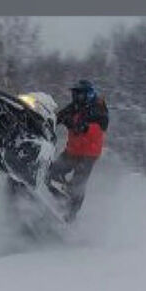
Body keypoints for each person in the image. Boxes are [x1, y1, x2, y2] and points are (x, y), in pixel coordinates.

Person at [49, 80, 109, 215]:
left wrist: (83, 126)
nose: (76, 98)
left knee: (77, 186)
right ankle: (56, 200)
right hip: (72, 152)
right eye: (74, 95)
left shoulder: (98, 107)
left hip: (88, 155)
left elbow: (102, 124)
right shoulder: (75, 106)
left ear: (88, 95)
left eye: (79, 95)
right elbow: (57, 117)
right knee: (51, 173)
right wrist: (49, 120)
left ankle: (70, 215)